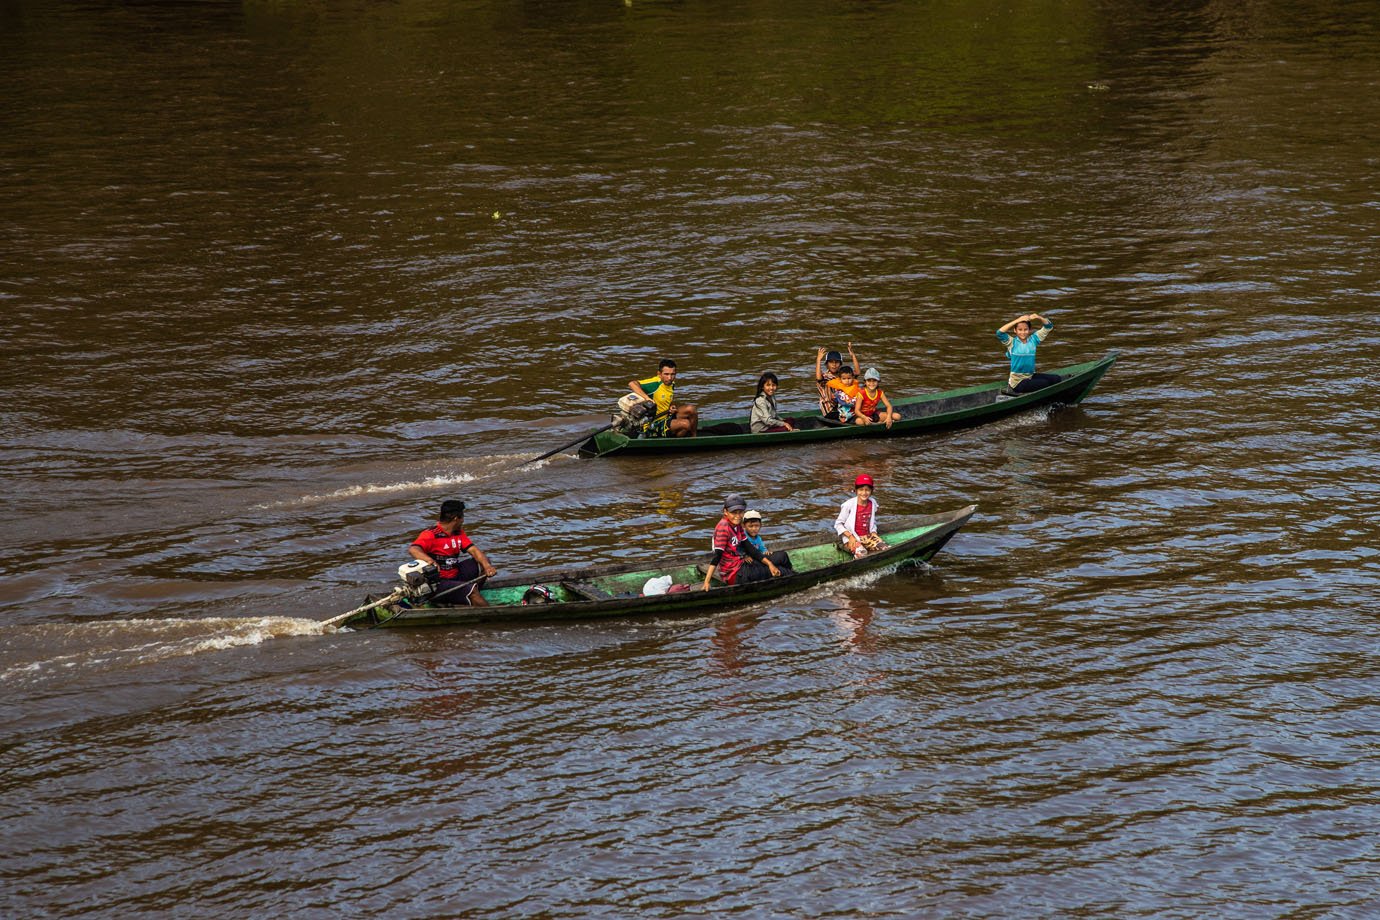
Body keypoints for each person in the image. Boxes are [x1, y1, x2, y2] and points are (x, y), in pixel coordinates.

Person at [408, 499, 497, 606]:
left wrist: (487, 567)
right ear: (456, 518)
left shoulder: (458, 533)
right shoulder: (431, 534)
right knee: (471, 591)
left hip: (455, 574)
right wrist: (429, 560)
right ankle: (473, 596)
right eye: (462, 517)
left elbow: (473, 550)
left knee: (484, 562)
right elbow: (413, 549)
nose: (463, 520)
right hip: (439, 583)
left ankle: (466, 595)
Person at [702, 494, 785, 590]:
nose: (738, 516)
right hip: (735, 574)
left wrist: (770, 564)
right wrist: (707, 582)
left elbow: (750, 549)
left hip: (742, 564)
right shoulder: (723, 528)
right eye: (734, 513)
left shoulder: (737, 526)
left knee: (782, 556)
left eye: (740, 512)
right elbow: (717, 557)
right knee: (782, 571)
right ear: (725, 511)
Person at [629, 359, 698, 437]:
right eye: (666, 374)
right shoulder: (654, 384)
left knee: (691, 409)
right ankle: (675, 440)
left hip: (667, 415)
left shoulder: (671, 383)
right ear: (659, 374)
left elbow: (667, 399)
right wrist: (647, 398)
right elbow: (632, 384)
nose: (670, 378)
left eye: (673, 374)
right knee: (686, 424)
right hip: (654, 423)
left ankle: (694, 437)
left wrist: (671, 406)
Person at [996, 313, 1060, 393]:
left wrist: (1038, 317)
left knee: (1056, 379)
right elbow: (999, 332)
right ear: (1015, 330)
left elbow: (1049, 326)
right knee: (1045, 383)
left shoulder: (1033, 340)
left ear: (1029, 330)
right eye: (1020, 330)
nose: (1023, 332)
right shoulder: (1011, 342)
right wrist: (1018, 320)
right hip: (1018, 383)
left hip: (1030, 377)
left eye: (1025, 329)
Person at [834, 474, 887, 558]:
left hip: (868, 536)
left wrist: (873, 532)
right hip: (852, 537)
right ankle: (843, 546)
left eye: (867, 490)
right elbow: (838, 524)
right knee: (862, 554)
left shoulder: (873, 503)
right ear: (855, 490)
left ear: (871, 491)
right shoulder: (848, 505)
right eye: (861, 490)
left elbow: (872, 521)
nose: (864, 493)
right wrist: (850, 537)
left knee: (885, 549)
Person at [742, 510, 794, 579]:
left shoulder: (758, 538)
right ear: (744, 526)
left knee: (783, 555)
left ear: (760, 525)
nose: (754, 529)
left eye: (757, 526)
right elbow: (738, 548)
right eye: (750, 526)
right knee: (782, 556)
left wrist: (765, 551)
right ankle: (788, 572)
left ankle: (789, 570)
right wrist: (744, 556)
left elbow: (762, 548)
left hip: (760, 558)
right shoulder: (743, 536)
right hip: (751, 561)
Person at [815, 343, 861, 417]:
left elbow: (857, 372)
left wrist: (853, 356)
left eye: (836, 362)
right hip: (830, 410)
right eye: (831, 362)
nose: (834, 364)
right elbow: (818, 378)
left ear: (840, 364)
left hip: (845, 406)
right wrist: (818, 360)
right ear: (827, 364)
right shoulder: (825, 377)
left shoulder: (844, 376)